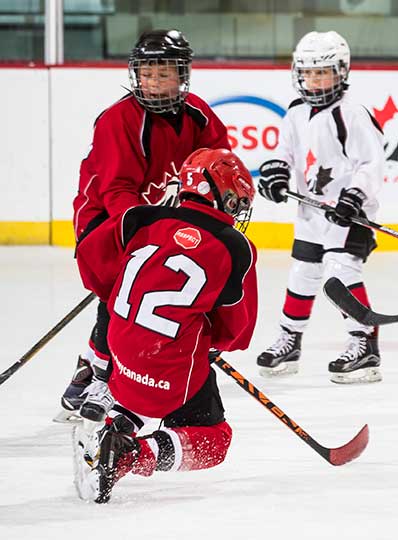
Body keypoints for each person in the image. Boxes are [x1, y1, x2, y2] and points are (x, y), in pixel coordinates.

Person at [57, 29, 230, 423]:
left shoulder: (198, 115)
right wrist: (150, 233)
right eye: (146, 74)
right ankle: (102, 376)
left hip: (157, 218)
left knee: (146, 287)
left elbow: (217, 164)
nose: (152, 83)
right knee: (124, 290)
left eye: (163, 74)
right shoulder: (119, 120)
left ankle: (88, 366)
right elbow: (117, 190)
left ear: (182, 75)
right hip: (106, 220)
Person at [71, 148, 257, 504]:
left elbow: (91, 259)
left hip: (121, 351)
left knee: (149, 376)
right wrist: (206, 338)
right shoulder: (236, 247)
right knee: (214, 441)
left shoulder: (139, 218)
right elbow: (236, 334)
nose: (236, 209)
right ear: (220, 194)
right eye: (235, 200)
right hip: (168, 365)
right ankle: (129, 455)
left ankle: (114, 431)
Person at [256, 31, 385, 384]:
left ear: (341, 71)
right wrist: (276, 172)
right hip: (312, 212)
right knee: (303, 273)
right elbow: (285, 152)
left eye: (322, 72)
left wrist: (355, 196)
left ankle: (365, 344)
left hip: (350, 214)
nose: (314, 80)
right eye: (308, 72)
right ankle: (290, 339)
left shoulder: (352, 114)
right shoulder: (296, 112)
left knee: (341, 272)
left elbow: (372, 164)